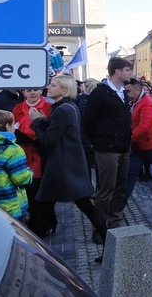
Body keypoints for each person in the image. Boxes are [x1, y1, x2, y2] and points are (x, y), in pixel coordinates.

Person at [29, 75, 108, 263]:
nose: (49, 86)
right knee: (80, 205)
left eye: (53, 85)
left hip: (62, 168)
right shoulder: (67, 107)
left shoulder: (63, 109)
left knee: (43, 208)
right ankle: (110, 246)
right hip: (68, 165)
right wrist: (43, 120)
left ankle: (30, 251)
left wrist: (36, 122)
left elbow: (48, 139)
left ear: (64, 90)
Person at [84, 57, 132, 238]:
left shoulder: (122, 93)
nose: (130, 73)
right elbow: (89, 122)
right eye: (128, 70)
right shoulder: (101, 93)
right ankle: (100, 228)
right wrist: (98, 142)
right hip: (107, 148)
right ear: (117, 71)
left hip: (123, 147)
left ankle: (114, 220)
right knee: (106, 189)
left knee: (120, 186)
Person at [13, 87, 55, 238]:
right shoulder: (18, 108)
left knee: (42, 192)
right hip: (23, 154)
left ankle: (42, 225)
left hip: (42, 155)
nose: (32, 93)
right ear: (23, 92)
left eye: (36, 89)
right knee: (30, 192)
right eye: (28, 90)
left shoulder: (49, 107)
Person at [125, 79, 152, 198]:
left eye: (129, 91)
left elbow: (144, 127)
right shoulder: (136, 102)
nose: (127, 93)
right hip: (140, 145)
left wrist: (128, 139)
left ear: (137, 90)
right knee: (130, 176)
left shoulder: (147, 103)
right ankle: (117, 208)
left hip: (151, 145)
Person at [0, 109, 33, 223]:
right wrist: (30, 173)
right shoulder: (13, 149)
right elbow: (20, 179)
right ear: (8, 126)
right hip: (12, 204)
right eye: (13, 124)